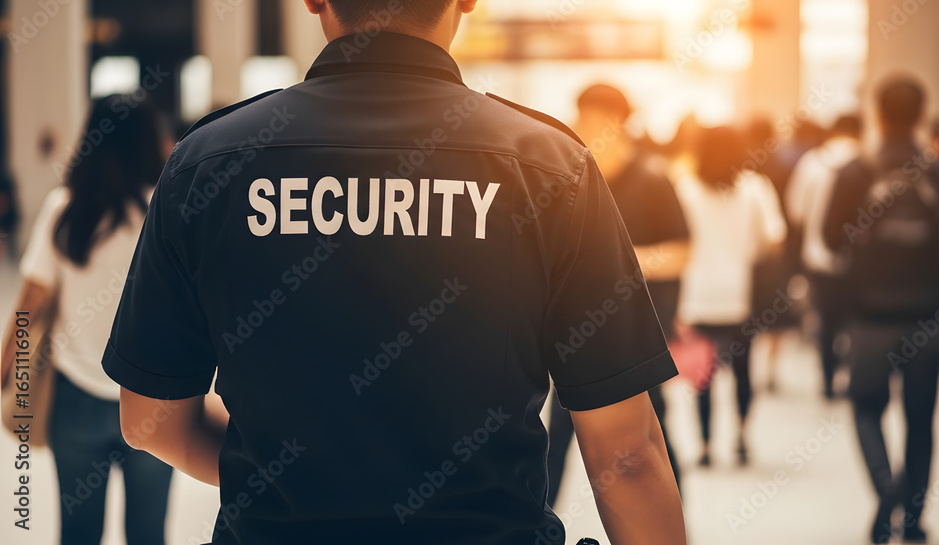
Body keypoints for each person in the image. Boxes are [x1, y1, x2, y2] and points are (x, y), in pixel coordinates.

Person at [99, 2, 687, 544]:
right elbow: (628, 455)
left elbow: (150, 420)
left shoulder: (210, 163)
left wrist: (282, 474)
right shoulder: (549, 167)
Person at [0, 96, 173, 545]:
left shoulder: (66, 208)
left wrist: (5, 371)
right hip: (154, 399)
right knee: (148, 535)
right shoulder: (169, 211)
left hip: (76, 396)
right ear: (150, 142)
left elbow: (29, 306)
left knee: (78, 533)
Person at [822, 76, 939, 544]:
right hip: (930, 319)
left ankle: (886, 489)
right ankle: (912, 519)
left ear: (877, 114)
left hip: (869, 318)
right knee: (920, 419)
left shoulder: (856, 172)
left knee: (866, 408)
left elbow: (829, 238)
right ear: (921, 115)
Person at [545, 84, 690, 506]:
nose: (582, 126)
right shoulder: (570, 176)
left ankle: (673, 519)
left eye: (591, 118)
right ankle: (541, 522)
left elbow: (681, 252)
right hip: (573, 334)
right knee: (557, 437)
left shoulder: (652, 180)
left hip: (634, 338)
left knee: (648, 440)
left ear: (616, 122)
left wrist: (615, 262)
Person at [675, 126, 788, 467]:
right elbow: (774, 239)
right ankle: (740, 435)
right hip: (741, 295)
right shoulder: (754, 188)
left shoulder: (685, 188)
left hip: (697, 296)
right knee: (742, 370)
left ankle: (706, 445)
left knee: (702, 375)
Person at [784, 114, 863, 398]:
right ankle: (854, 375)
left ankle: (828, 380)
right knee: (856, 320)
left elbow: (795, 211)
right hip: (859, 261)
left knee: (826, 321)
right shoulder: (868, 164)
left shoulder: (812, 163)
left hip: (818, 256)